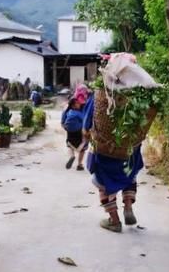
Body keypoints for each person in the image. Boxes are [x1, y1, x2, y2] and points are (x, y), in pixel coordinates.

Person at [82, 92, 144, 233]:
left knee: (102, 183)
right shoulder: (137, 95)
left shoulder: (100, 96)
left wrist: (87, 133)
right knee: (129, 175)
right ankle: (128, 207)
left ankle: (114, 221)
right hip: (129, 150)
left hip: (106, 150)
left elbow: (87, 124)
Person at [61, 97, 86, 171]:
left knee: (69, 144)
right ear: (73, 105)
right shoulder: (79, 113)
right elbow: (85, 120)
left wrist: (66, 127)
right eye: (77, 103)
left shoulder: (68, 111)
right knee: (83, 147)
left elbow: (63, 122)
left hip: (70, 131)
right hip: (79, 131)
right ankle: (79, 165)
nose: (79, 104)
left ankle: (72, 156)